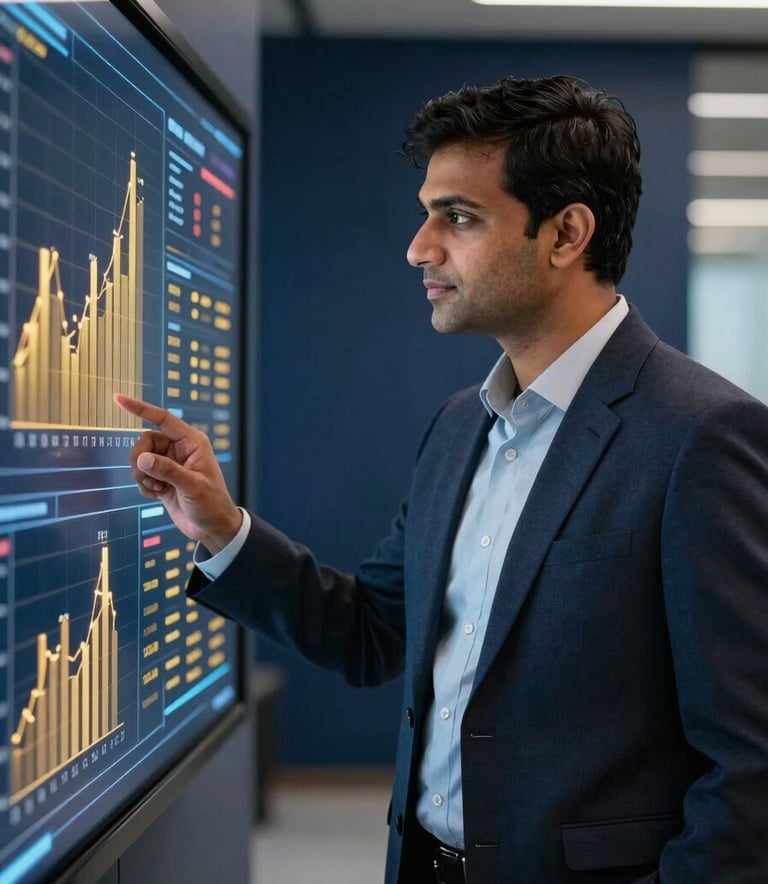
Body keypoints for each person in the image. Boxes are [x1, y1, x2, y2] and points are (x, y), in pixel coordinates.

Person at [116, 74, 768, 884]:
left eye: (457, 217)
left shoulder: (704, 437)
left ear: (566, 234)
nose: (420, 247)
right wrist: (221, 528)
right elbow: (372, 634)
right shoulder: (460, 426)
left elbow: (751, 769)